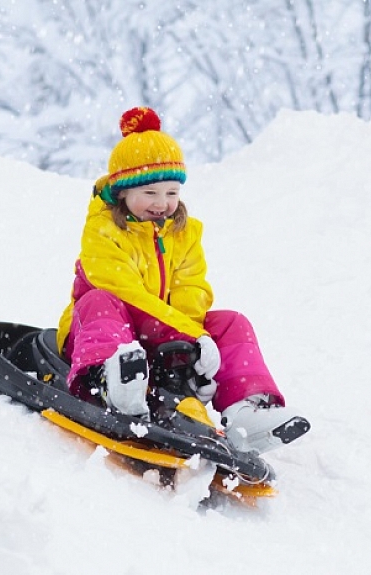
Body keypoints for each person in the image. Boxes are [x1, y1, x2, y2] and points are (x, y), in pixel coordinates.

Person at [56, 106, 308, 454]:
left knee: (231, 322)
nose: (162, 203)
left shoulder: (184, 232)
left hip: (162, 341)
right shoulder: (104, 231)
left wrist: (192, 356)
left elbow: (192, 289)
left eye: (172, 193)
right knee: (100, 301)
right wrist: (190, 336)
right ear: (123, 193)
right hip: (98, 337)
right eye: (150, 193)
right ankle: (113, 381)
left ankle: (245, 410)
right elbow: (122, 291)